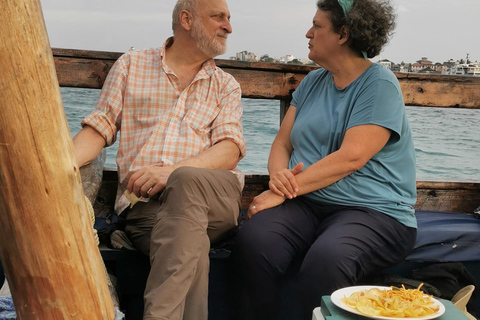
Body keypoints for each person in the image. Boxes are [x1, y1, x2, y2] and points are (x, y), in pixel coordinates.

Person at [234, 0, 417, 319]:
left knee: (328, 259)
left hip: (373, 210)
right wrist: (278, 175)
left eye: (317, 26)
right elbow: (281, 143)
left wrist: (280, 191)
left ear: (343, 34)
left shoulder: (379, 85)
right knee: (254, 240)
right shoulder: (313, 82)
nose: (308, 33)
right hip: (307, 202)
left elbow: (351, 158)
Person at [72, 0, 246, 319]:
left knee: (186, 180)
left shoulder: (226, 86)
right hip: (148, 207)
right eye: (219, 17)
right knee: (188, 248)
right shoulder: (131, 66)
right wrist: (57, 165)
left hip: (215, 198)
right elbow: (99, 128)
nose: (229, 27)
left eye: (229, 19)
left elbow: (229, 150)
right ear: (186, 19)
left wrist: (172, 173)